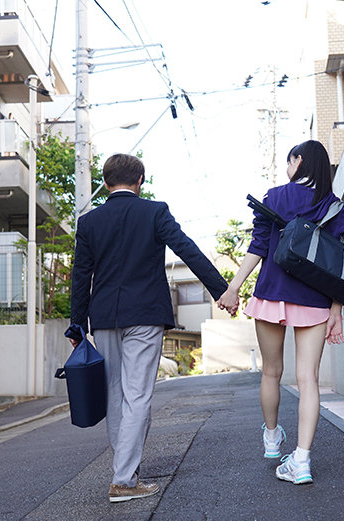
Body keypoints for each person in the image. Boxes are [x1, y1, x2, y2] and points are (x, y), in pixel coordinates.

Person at [66, 153, 229, 503]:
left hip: (104, 317)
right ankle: (124, 480)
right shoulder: (155, 212)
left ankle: (126, 472)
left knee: (115, 395)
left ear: (106, 182)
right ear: (140, 180)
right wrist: (221, 290)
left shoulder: (89, 222)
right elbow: (188, 250)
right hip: (145, 314)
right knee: (137, 394)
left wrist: (76, 325)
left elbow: (81, 275)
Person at [217, 140, 344, 485]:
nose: (287, 168)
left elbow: (259, 245)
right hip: (315, 300)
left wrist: (234, 287)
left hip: (272, 294)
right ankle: (302, 461)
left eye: (289, 161)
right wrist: (336, 309)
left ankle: (271, 436)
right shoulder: (336, 207)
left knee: (271, 372)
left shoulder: (275, 197)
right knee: (309, 380)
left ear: (299, 161)